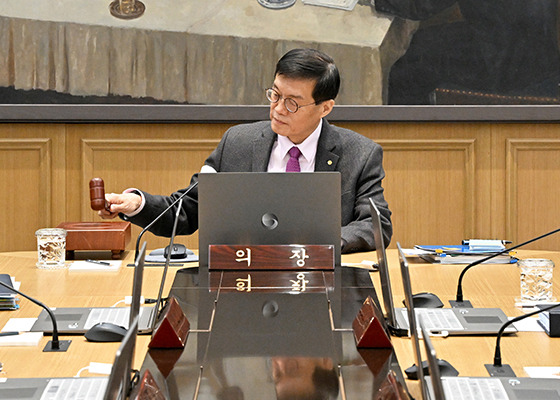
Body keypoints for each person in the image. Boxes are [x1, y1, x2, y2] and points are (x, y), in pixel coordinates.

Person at [99, 48, 392, 253]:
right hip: (243, 280)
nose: (277, 109)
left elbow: (375, 225)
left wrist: (322, 244)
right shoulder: (237, 142)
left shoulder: (360, 154)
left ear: (325, 107)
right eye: (275, 94)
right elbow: (190, 210)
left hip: (323, 282)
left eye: (292, 102)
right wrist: (136, 204)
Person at [374, 0, 560, 104]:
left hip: (502, 61)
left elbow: (419, 6)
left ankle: (415, 148)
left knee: (405, 68)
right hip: (542, 51)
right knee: (421, 42)